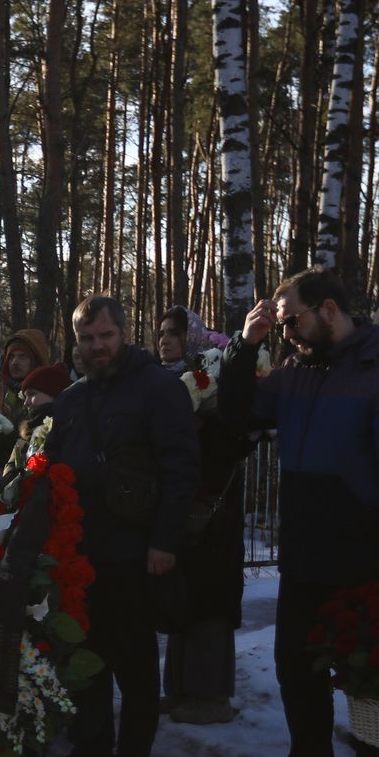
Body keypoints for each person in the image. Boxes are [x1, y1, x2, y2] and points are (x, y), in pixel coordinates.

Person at [218, 268, 379, 757]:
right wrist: (244, 347)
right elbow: (238, 415)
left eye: (291, 320)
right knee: (297, 674)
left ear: (330, 310)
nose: (286, 332)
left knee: (372, 686)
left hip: (367, 556)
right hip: (305, 555)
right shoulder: (296, 374)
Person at [36, 297, 201, 757]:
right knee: (85, 658)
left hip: (134, 553)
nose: (97, 346)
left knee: (134, 665)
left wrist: (164, 541)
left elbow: (181, 470)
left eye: (106, 336)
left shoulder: (160, 390)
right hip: (80, 554)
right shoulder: (71, 399)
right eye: (87, 339)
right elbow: (53, 470)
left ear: (125, 334)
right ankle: (91, 749)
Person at [155, 305, 252, 726]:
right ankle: (179, 689)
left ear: (192, 337)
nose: (165, 340)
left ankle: (211, 695)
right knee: (182, 599)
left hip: (213, 516)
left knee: (209, 602)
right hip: (181, 510)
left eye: (174, 333)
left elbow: (232, 441)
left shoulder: (213, 382)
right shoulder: (164, 383)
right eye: (161, 332)